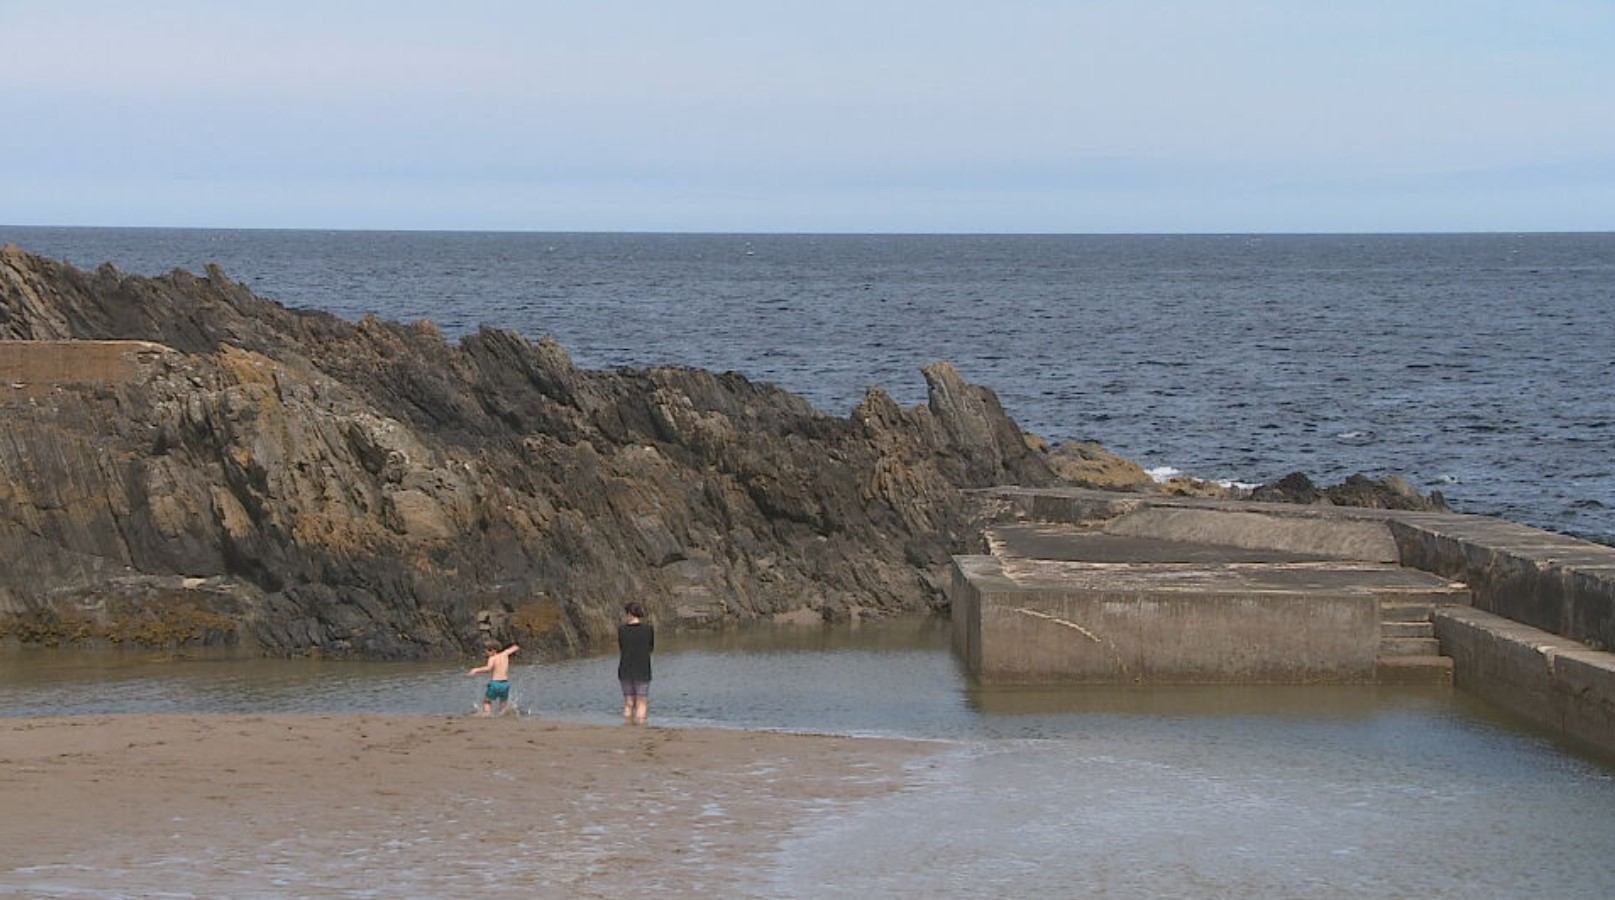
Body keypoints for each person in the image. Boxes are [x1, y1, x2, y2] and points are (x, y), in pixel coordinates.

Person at [617, 602, 654, 725]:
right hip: (642, 668)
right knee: (641, 700)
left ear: (629, 614)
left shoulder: (622, 630)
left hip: (625, 668)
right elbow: (650, 648)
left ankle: (627, 724)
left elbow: (622, 647)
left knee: (628, 701)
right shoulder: (648, 629)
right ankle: (641, 725)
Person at [468, 641, 520, 716]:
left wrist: (476, 670)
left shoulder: (492, 658)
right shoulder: (505, 654)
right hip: (505, 684)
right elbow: (515, 648)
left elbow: (488, 668)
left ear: (493, 650)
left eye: (486, 651)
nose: (485, 653)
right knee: (503, 701)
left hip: (495, 683)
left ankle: (487, 714)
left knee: (487, 701)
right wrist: (516, 645)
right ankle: (502, 714)